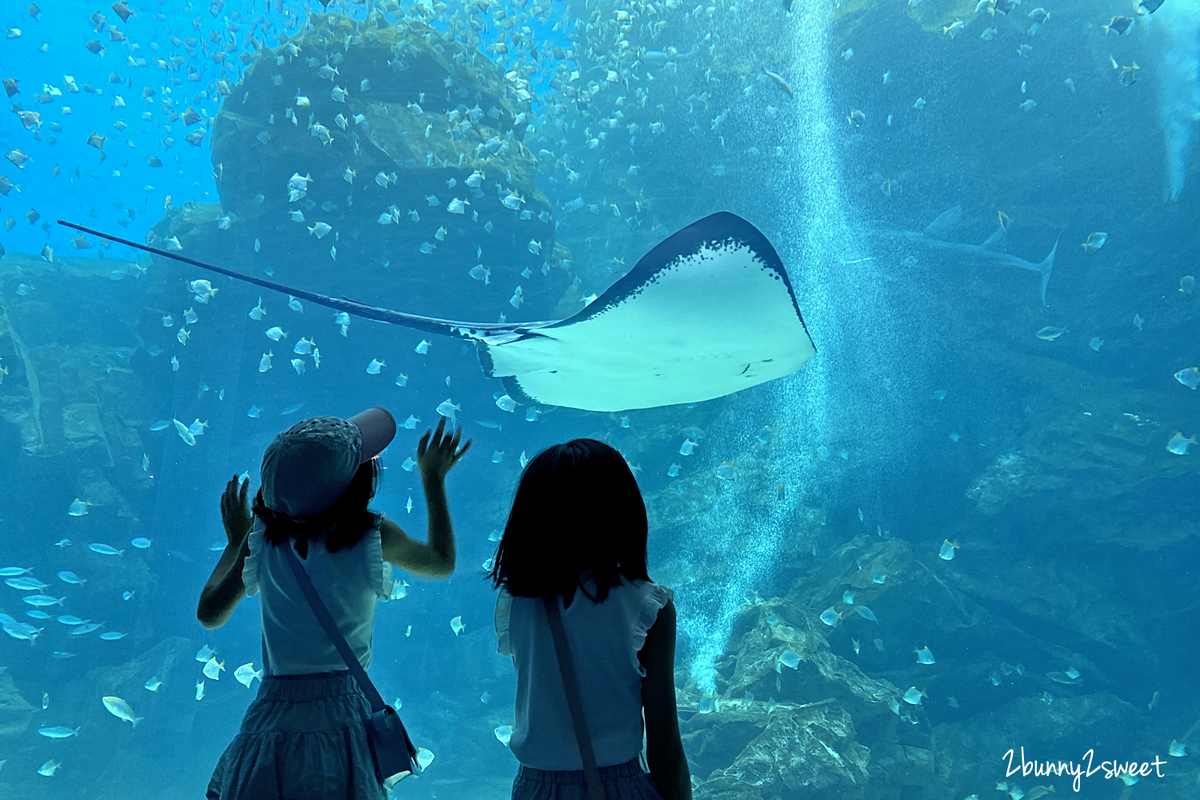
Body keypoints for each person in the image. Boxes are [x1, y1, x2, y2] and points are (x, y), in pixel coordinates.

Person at [197, 408, 470, 800]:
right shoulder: (370, 535)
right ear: (355, 483)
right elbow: (441, 562)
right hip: (343, 719)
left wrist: (234, 541)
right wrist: (432, 478)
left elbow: (209, 613)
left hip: (272, 717)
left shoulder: (263, 539)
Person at [488, 438, 692, 800]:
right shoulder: (648, 607)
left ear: (531, 517)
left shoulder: (516, 602)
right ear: (622, 512)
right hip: (619, 787)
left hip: (536, 789)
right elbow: (665, 743)